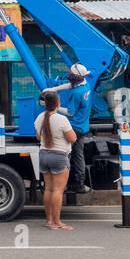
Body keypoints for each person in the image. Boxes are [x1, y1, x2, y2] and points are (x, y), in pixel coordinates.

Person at [34, 89, 77, 231]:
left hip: (43, 155)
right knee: (58, 190)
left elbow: (39, 137)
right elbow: (72, 138)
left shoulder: (39, 118)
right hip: (59, 156)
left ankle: (49, 220)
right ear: (57, 103)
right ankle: (57, 222)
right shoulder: (61, 119)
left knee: (49, 189)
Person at [51, 62, 92, 194]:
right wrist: (55, 89)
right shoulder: (86, 85)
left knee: (64, 155)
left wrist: (54, 107)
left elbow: (70, 112)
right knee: (78, 156)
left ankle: (66, 183)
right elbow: (70, 85)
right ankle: (79, 183)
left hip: (73, 128)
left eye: (71, 73)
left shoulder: (76, 93)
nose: (69, 74)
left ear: (75, 76)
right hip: (83, 127)